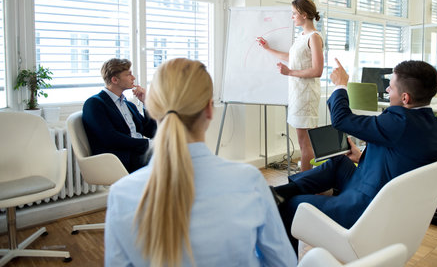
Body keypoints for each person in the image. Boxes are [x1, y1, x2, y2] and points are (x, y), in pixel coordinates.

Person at [105, 58, 297, 267]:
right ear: (209, 109)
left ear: (152, 109)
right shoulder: (249, 182)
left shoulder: (121, 194)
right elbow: (282, 262)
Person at [273, 59, 437, 251]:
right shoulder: (436, 128)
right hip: (389, 201)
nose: (387, 92)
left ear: (405, 98)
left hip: (366, 208)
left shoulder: (400, 121)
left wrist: (341, 85)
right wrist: (360, 157)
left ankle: (281, 201)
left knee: (293, 205)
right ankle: (279, 193)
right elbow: (401, 158)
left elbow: (341, 120)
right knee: (339, 162)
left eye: (390, 88)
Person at [257, 0, 324, 171]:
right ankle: (307, 180)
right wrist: (268, 49)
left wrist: (290, 72)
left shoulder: (314, 37)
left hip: (306, 96)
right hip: (297, 94)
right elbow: (290, 57)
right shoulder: (302, 36)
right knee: (303, 143)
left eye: (294, 13)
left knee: (305, 145)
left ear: (303, 14)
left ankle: (305, 183)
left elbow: (318, 70)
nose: (292, 17)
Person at [82, 58, 157, 173]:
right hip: (120, 158)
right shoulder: (94, 103)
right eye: (129, 75)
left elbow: (151, 131)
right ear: (115, 80)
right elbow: (110, 138)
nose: (133, 78)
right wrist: (148, 143)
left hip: (139, 153)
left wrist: (146, 103)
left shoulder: (128, 105)